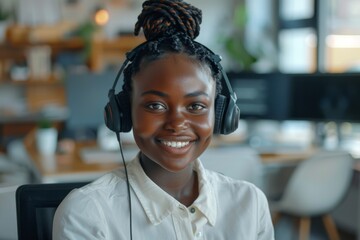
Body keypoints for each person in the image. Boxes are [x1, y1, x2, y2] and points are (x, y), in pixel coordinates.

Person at [53, 0, 275, 239]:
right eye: (155, 105)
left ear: (221, 114)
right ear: (125, 111)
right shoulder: (87, 214)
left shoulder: (250, 205)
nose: (177, 123)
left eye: (196, 106)